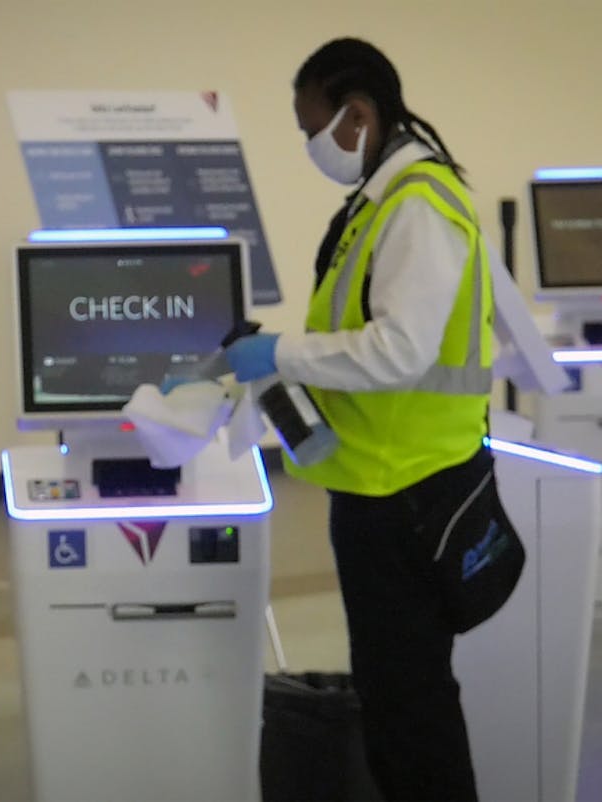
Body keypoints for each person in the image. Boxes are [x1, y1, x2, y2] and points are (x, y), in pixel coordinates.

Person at [224, 37, 496, 801]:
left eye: (311, 128)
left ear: (357, 116)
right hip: (379, 482)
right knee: (396, 702)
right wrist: (282, 356)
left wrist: (285, 353)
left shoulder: (417, 208)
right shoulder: (380, 204)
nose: (309, 144)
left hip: (409, 492)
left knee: (412, 712)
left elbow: (400, 351)